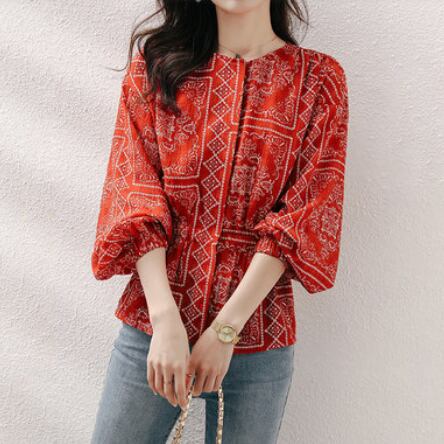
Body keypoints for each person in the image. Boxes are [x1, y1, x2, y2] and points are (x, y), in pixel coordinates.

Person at [90, 0, 349, 442]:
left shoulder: (319, 81)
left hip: (259, 336)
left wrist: (226, 330)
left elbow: (305, 214)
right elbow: (134, 194)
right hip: (154, 329)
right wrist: (165, 320)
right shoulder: (155, 69)